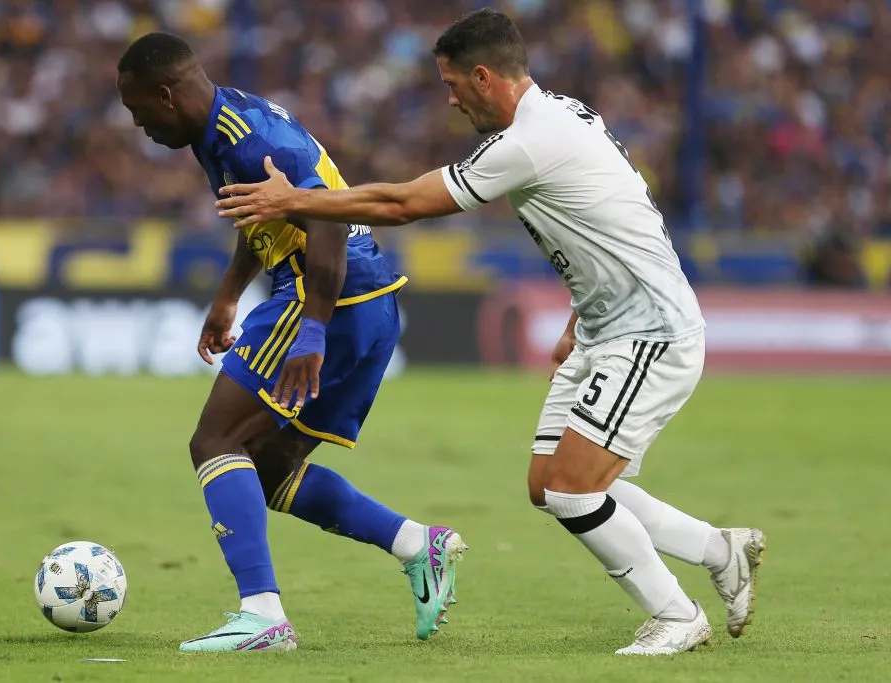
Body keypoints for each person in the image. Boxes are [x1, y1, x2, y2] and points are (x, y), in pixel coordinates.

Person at [216, 8, 765, 656]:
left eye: (452, 85)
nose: (450, 101)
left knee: (572, 487)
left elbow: (404, 205)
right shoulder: (565, 114)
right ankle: (717, 548)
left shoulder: (528, 140)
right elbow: (612, 217)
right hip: (605, 327)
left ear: (484, 76)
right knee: (550, 485)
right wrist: (580, 314)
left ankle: (675, 613)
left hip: (652, 333)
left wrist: (293, 201)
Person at [116, 32, 466, 653]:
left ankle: (262, 616)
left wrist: (312, 329)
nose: (139, 125)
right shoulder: (223, 125)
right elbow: (268, 216)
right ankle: (417, 543)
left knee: (215, 442)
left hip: (329, 296)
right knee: (272, 466)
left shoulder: (249, 140)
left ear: (166, 95)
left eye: (139, 110)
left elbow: (323, 215)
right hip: (369, 301)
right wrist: (228, 295)